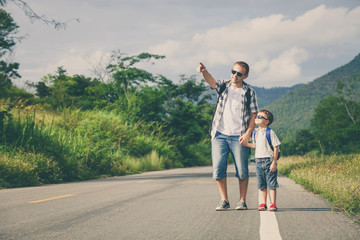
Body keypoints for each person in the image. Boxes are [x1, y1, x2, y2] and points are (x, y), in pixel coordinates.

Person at [197, 61, 258, 211]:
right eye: (233, 72)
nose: (235, 76)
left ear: (245, 76)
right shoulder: (223, 86)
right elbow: (211, 81)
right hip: (219, 135)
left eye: (239, 74)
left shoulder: (249, 92)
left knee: (242, 170)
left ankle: (242, 200)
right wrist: (203, 71)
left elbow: (253, 115)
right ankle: (224, 200)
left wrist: (248, 134)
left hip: (240, 137)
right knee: (218, 169)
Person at [246, 109, 281, 211]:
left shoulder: (270, 132)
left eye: (260, 117)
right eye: (257, 116)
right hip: (258, 161)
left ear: (267, 121)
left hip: (269, 161)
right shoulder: (255, 133)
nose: (257, 118)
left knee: (271, 184)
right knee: (261, 185)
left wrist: (274, 163)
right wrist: (246, 144)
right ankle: (263, 203)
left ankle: (273, 204)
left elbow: (276, 147)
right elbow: (256, 146)